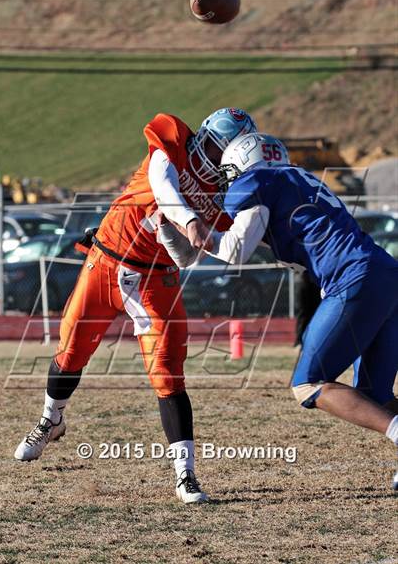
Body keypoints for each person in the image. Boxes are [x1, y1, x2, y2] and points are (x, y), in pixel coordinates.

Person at [14, 108, 258, 504]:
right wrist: (189, 219)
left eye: (222, 151)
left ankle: (186, 475)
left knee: (167, 374)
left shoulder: (224, 196)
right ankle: (51, 419)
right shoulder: (173, 144)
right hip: (107, 260)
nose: (213, 157)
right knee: (71, 352)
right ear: (202, 137)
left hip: (154, 279)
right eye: (211, 145)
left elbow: (185, 259)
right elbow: (163, 185)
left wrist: (172, 230)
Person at [159, 132, 398, 490]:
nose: (228, 182)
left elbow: (236, 252)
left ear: (244, 165)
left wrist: (191, 227)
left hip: (354, 278)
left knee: (308, 385)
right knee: (374, 396)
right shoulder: (296, 179)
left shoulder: (256, 182)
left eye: (230, 173)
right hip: (386, 272)